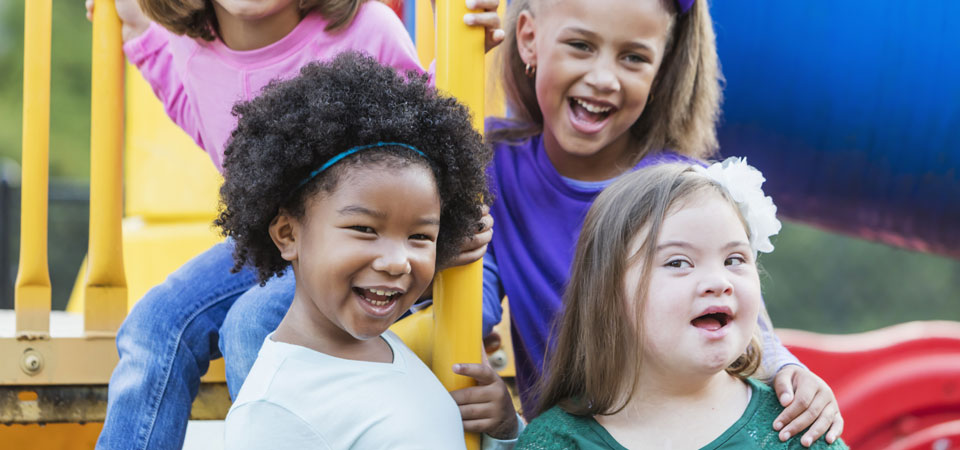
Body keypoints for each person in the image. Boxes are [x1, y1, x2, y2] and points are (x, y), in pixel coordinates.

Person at [84, 0, 502, 448]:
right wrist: (138, 30)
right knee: (155, 322)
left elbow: (418, 128)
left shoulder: (365, 29)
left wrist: (465, 48)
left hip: (370, 239)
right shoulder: (192, 47)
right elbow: (191, 106)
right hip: (277, 237)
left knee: (253, 321)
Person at [482, 0, 843, 446]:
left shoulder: (678, 190)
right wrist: (462, 50)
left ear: (661, 69)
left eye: (633, 57)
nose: (603, 78)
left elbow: (744, 323)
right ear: (528, 39)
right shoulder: (494, 169)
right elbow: (462, 293)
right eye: (580, 45)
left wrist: (790, 370)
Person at [218, 52, 519, 448]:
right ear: (288, 234)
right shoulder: (272, 412)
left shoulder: (391, 349)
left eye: (420, 237)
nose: (397, 262)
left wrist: (505, 431)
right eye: (364, 229)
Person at [516, 160, 847, 449]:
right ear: (610, 294)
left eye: (734, 258)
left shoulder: (797, 430)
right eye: (678, 263)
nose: (719, 281)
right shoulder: (556, 442)